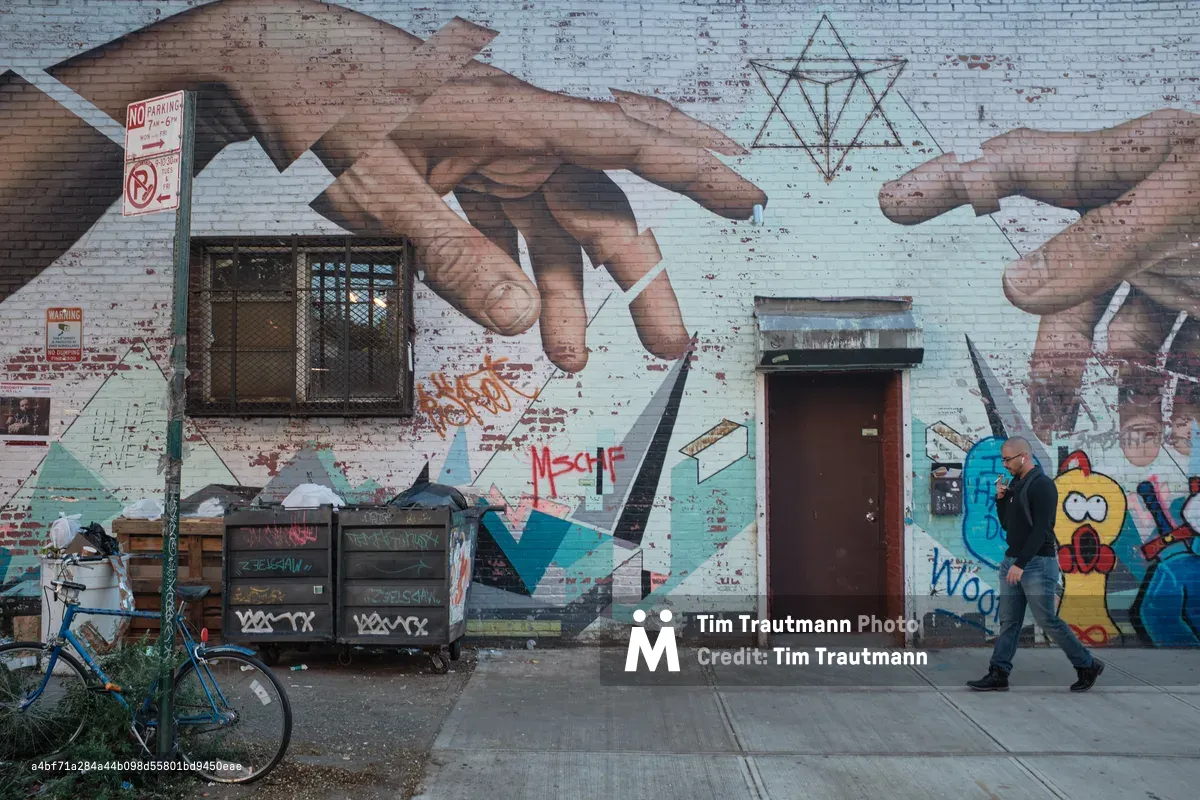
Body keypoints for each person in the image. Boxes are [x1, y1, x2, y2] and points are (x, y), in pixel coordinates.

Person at [967, 436, 1104, 692]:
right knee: (1009, 621)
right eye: (1002, 459)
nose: (1004, 464)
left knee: (1047, 620)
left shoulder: (1042, 486)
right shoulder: (1017, 485)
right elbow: (1009, 525)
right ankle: (998, 673)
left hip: (1037, 564)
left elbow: (1042, 530)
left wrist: (1021, 563)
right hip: (1013, 561)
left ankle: (1087, 664)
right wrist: (1000, 499)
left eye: (1007, 459)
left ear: (1023, 457)